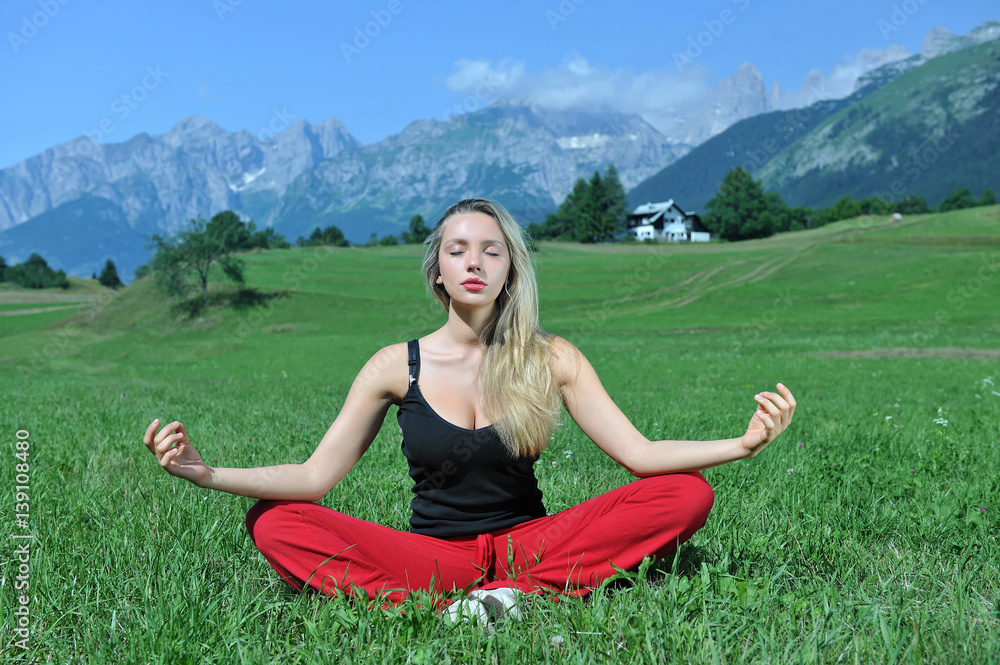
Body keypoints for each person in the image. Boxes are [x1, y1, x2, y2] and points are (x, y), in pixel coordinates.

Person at [142, 198, 796, 623]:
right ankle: (446, 602)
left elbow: (639, 455)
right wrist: (207, 472)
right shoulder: (393, 366)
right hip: (432, 554)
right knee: (276, 523)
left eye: (492, 249)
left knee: (683, 494)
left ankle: (516, 597)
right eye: (458, 249)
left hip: (529, 547)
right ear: (438, 273)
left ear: (510, 269)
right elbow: (315, 478)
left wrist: (742, 444)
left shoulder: (552, 357)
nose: (475, 261)